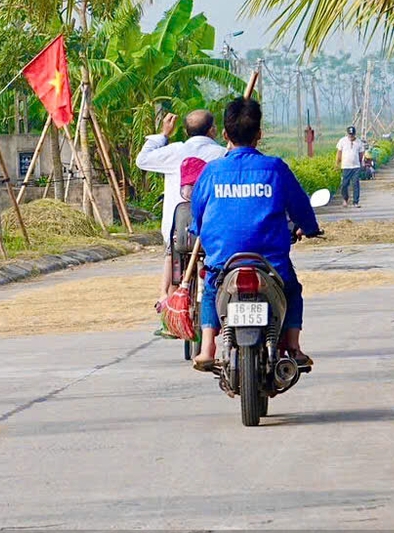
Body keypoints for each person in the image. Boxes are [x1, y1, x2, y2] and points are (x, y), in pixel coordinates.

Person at [190, 96, 321, 372]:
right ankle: (293, 348)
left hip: (224, 260)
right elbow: (301, 207)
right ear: (259, 135)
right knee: (293, 290)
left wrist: (199, 232)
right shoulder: (275, 168)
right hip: (271, 262)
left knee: (212, 287)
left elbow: (198, 215)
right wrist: (309, 229)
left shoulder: (212, 171)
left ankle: (206, 349)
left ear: (225, 135)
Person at [135, 109, 227, 247]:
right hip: (214, 229)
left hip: (176, 231)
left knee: (170, 257)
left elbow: (142, 160)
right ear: (212, 130)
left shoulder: (174, 151)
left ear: (186, 132)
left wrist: (164, 134)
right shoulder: (223, 154)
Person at [335, 125, 366, 207]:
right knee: (344, 184)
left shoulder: (359, 142)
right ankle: (345, 199)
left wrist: (360, 163)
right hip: (345, 166)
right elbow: (339, 153)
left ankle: (356, 202)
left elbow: (361, 154)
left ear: (355, 134)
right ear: (347, 134)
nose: (351, 136)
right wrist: (337, 163)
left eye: (352, 135)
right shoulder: (342, 141)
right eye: (349, 134)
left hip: (355, 166)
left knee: (355, 183)